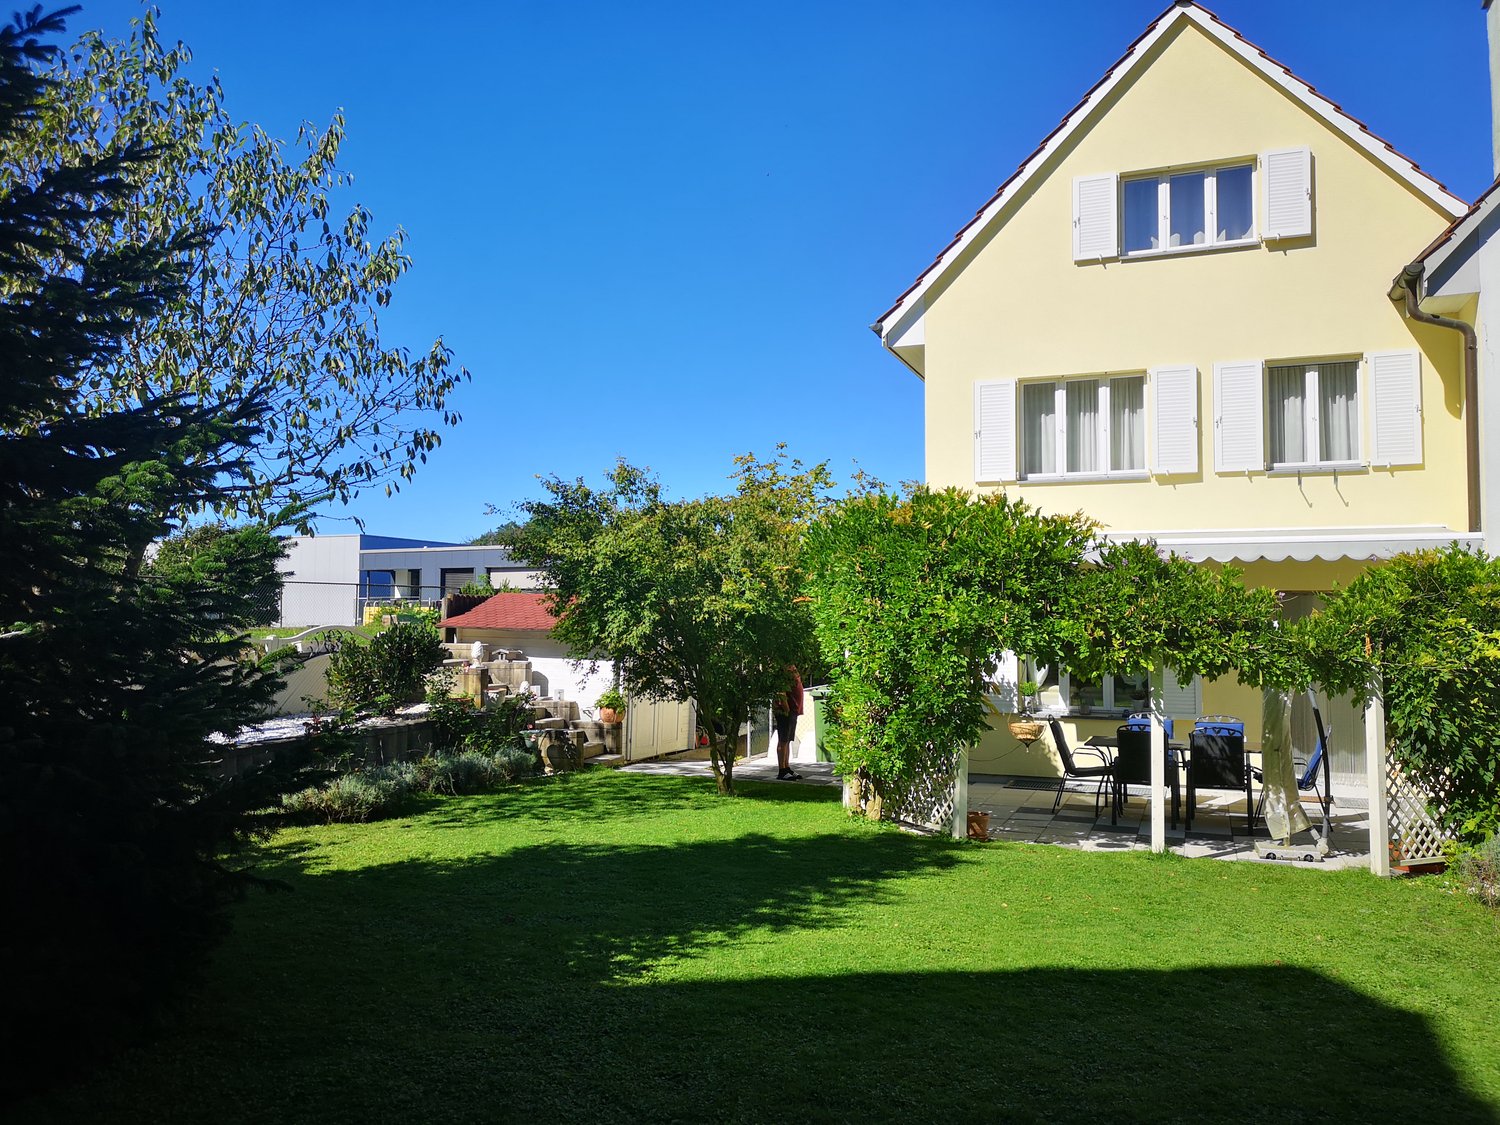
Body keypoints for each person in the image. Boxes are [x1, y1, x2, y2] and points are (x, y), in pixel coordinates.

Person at [772, 663, 804, 780]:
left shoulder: (793, 675)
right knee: (783, 741)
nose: (793, 669)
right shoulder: (783, 680)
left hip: (793, 712)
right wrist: (787, 711)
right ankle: (782, 770)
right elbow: (781, 695)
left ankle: (787, 767)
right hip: (785, 713)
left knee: (788, 741)